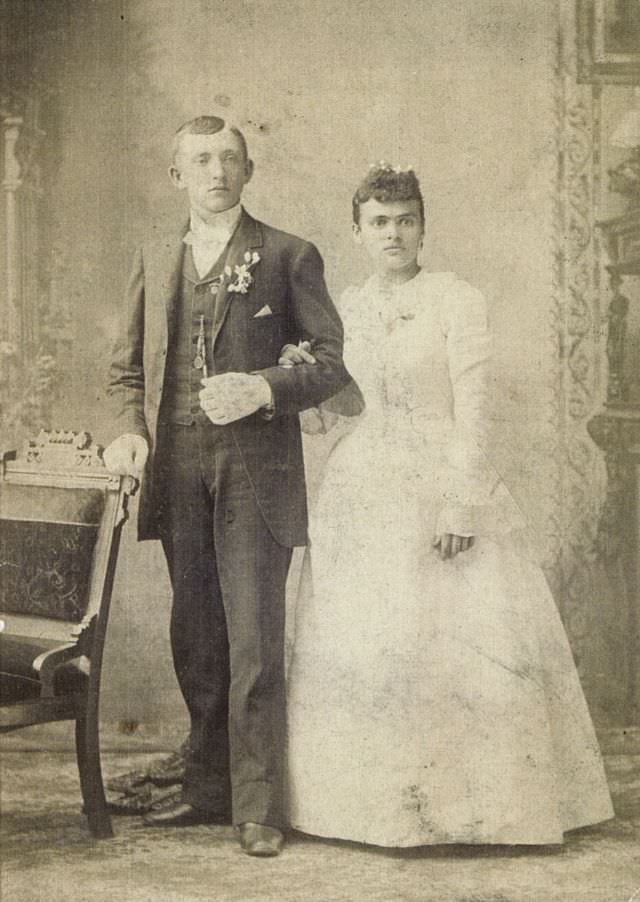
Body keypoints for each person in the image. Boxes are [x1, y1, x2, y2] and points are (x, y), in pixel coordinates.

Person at [285, 164, 614, 847]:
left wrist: (462, 503)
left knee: (452, 636)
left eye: (406, 220)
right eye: (379, 222)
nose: (394, 234)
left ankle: (472, 810)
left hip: (441, 472)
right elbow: (346, 406)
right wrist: (303, 384)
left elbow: (476, 412)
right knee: (371, 635)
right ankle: (368, 809)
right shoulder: (345, 305)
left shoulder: (457, 300)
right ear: (357, 230)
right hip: (365, 483)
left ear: (424, 226)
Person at [103, 116, 353, 857]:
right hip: (178, 468)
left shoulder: (287, 254)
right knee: (197, 637)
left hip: (255, 473)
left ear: (249, 172)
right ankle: (208, 788)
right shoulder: (156, 254)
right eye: (201, 160)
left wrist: (266, 386)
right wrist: (129, 430)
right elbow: (126, 370)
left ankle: (260, 807)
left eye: (231, 159)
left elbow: (334, 365)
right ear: (177, 174)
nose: (217, 171)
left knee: (253, 642)